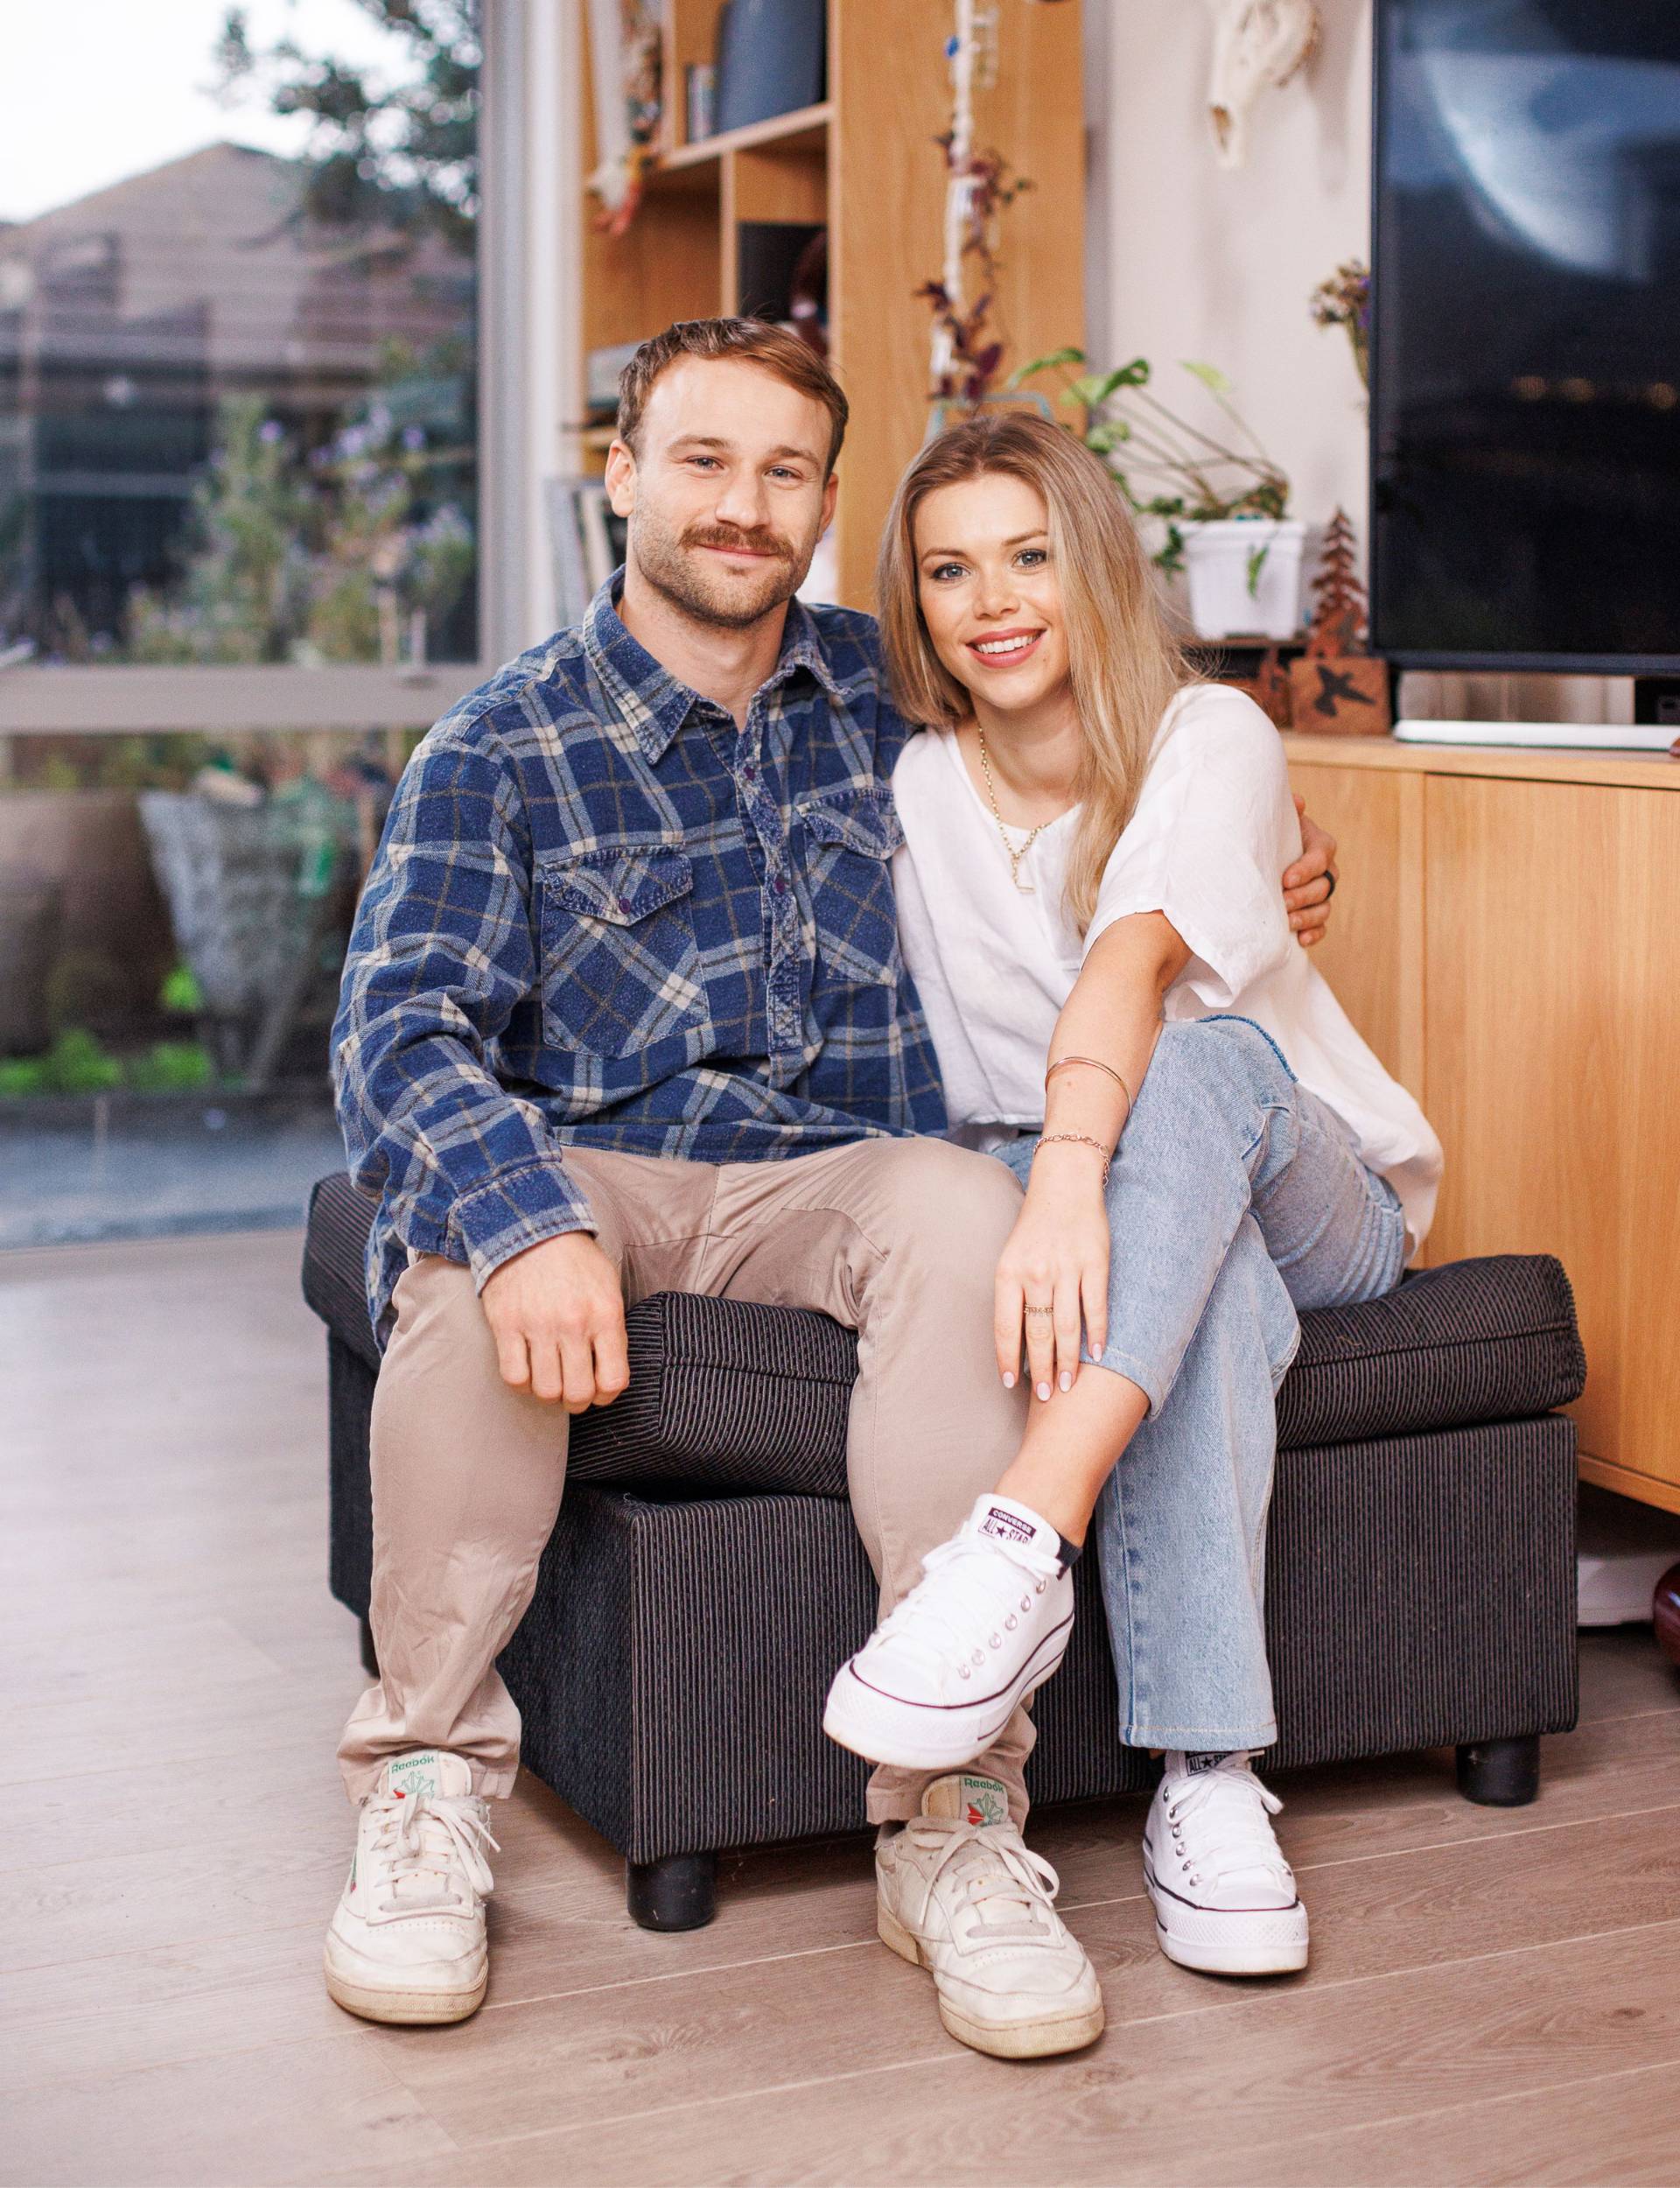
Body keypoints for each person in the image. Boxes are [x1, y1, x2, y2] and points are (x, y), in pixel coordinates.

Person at [321, 319, 1339, 2059]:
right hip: (599, 1155)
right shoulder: (499, 744)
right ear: (623, 474)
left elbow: (1097, 752)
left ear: (824, 499)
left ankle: (950, 1817)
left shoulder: (899, 691)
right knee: (460, 1253)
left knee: (967, 1214)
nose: (743, 503)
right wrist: (520, 1213)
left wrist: (1263, 865)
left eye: (784, 471)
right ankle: (424, 1780)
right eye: (702, 461)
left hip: (845, 1163)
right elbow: (397, 1034)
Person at [822, 409, 1443, 1990]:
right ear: (916, 599)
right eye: (951, 569)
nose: (994, 599)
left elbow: (1135, 966)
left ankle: (1017, 1544)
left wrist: (1071, 1180)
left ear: (1093, 565)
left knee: (1206, 1058)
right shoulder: (912, 786)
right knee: (1200, 1281)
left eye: (1029, 555)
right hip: (1089, 1188)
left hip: (1313, 1182)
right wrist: (1042, 1184)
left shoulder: (1208, 732)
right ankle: (1213, 1786)